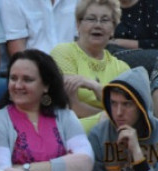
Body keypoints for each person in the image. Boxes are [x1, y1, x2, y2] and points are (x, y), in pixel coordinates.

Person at [51, 0, 129, 133]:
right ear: (78, 24)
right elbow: (68, 106)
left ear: (113, 29)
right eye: (91, 19)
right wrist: (107, 114)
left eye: (105, 20)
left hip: (111, 133)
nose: (97, 25)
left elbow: (126, 112)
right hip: (67, 130)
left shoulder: (122, 68)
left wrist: (95, 86)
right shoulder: (63, 53)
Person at [0, 0, 78, 57]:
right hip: (37, 70)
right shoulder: (12, 1)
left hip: (77, 68)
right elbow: (18, 54)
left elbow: (83, 40)